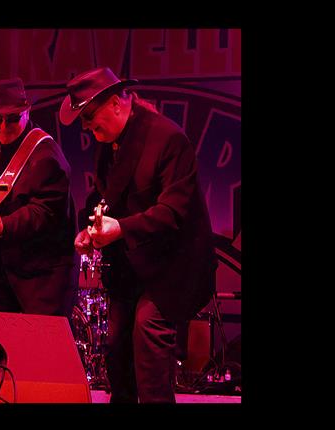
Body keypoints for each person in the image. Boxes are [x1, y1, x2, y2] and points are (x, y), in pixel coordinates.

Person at [59, 67, 217, 403]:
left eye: (89, 116)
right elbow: (105, 197)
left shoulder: (168, 139)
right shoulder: (110, 143)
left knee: (148, 334)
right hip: (134, 266)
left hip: (176, 266)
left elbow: (172, 212)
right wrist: (91, 228)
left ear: (116, 103)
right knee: (116, 345)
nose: (86, 127)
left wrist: (121, 228)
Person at [0, 77, 79, 318]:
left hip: (43, 275)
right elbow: (1, 191)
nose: (2, 127)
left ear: (27, 111)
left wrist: (2, 226)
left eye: (12, 119)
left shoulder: (46, 155)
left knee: (42, 350)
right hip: (5, 268)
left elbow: (45, 212)